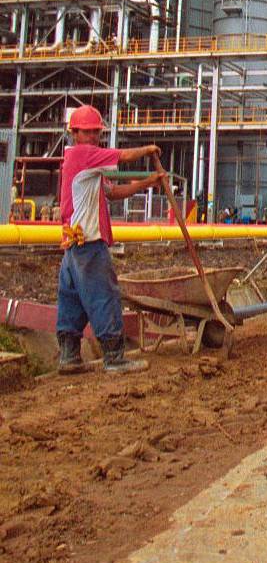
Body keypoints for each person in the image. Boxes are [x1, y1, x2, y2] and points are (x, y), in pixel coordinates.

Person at [57, 105, 163, 376]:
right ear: (75, 133)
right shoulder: (84, 154)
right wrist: (148, 149)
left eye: (95, 132)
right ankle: (115, 358)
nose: (93, 136)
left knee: (73, 301)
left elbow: (113, 193)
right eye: (87, 132)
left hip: (72, 246)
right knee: (104, 297)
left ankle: (69, 357)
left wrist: (147, 183)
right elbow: (124, 155)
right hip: (88, 243)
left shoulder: (83, 166)